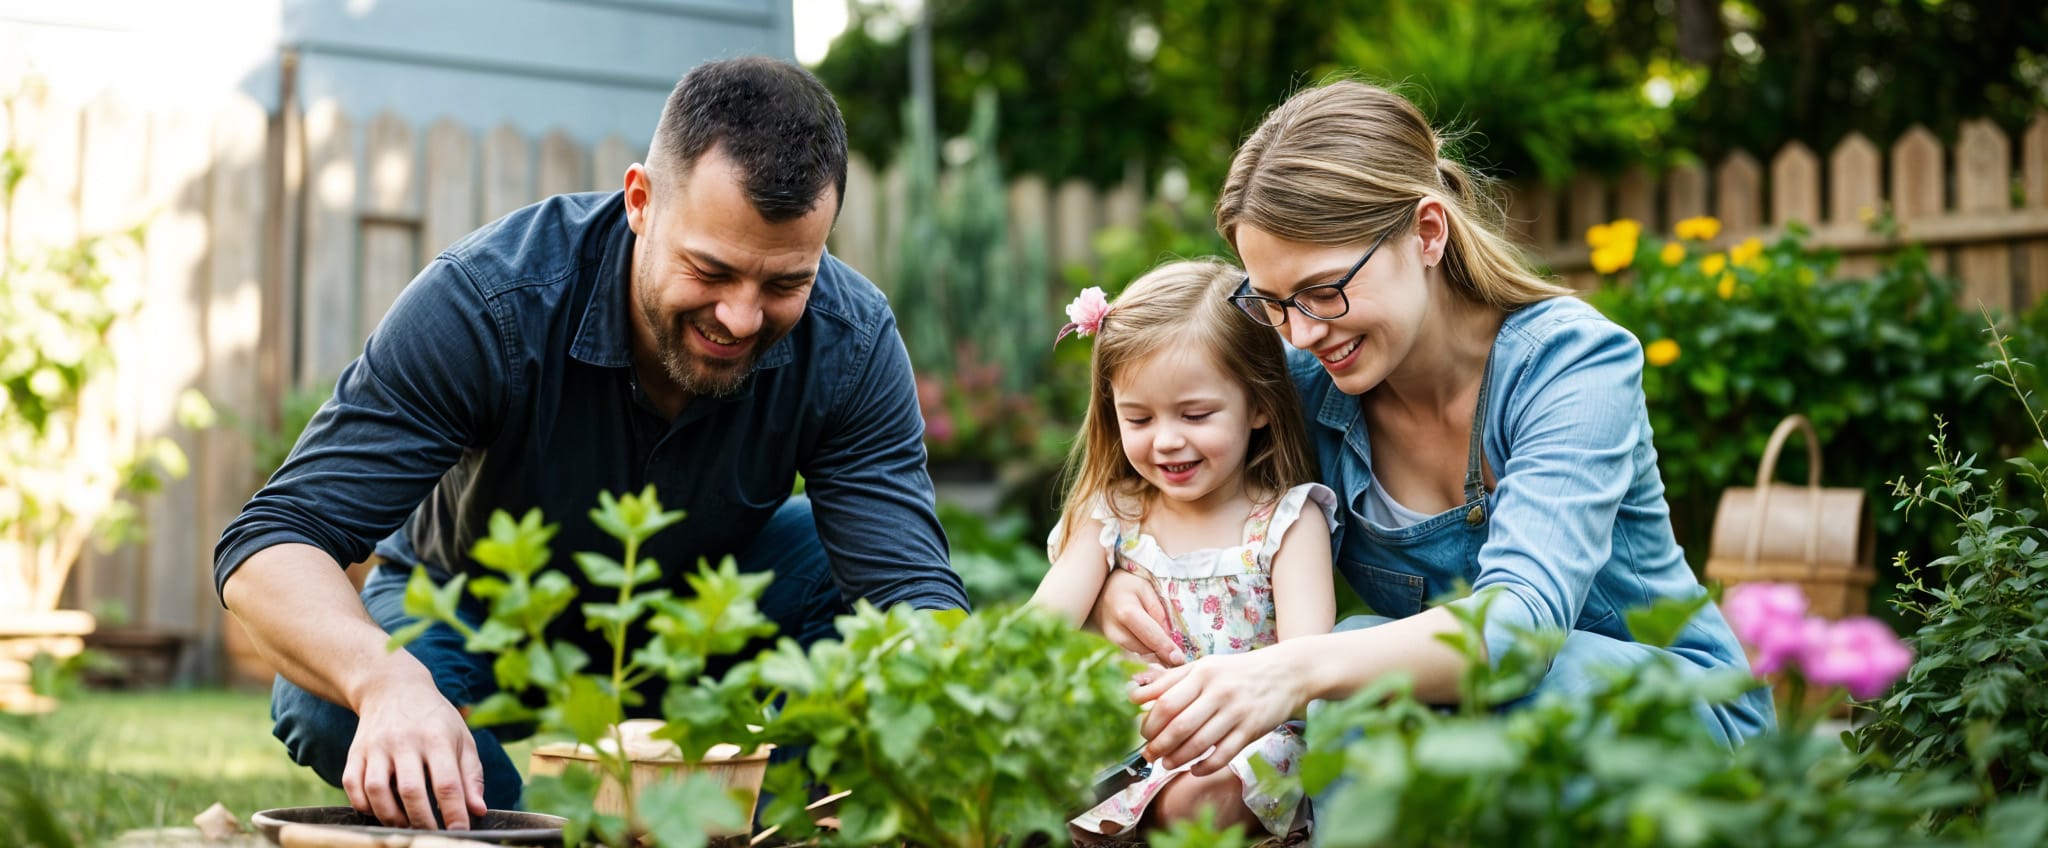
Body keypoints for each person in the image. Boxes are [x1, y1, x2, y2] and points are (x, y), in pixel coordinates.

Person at [213, 56, 969, 830]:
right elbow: (270, 541)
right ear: (640, 201)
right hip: (483, 608)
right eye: (711, 270)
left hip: (713, 608)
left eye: (784, 284)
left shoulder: (850, 339)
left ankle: (741, 831)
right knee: (322, 697)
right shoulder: (490, 304)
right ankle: (533, 834)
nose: (742, 318)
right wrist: (388, 687)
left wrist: (979, 716)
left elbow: (911, 594)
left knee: (848, 583)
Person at [1093, 79, 1777, 777]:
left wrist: (1294, 669)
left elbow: (1519, 631)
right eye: (1275, 303)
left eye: (1325, 291)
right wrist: (1121, 581)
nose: (1302, 331)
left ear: (1427, 231)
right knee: (1360, 684)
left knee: (1383, 663)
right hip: (1475, 735)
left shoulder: (1571, 365)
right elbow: (1183, 497)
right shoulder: (1305, 384)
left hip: (1671, 715)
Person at [1031, 261, 1336, 839]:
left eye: (1195, 415)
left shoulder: (1287, 521)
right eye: (1138, 418)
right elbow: (1039, 628)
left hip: (1243, 733)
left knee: (1195, 804)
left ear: (1260, 405)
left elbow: (1304, 669)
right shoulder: (1114, 512)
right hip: (1131, 732)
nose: (1167, 439)